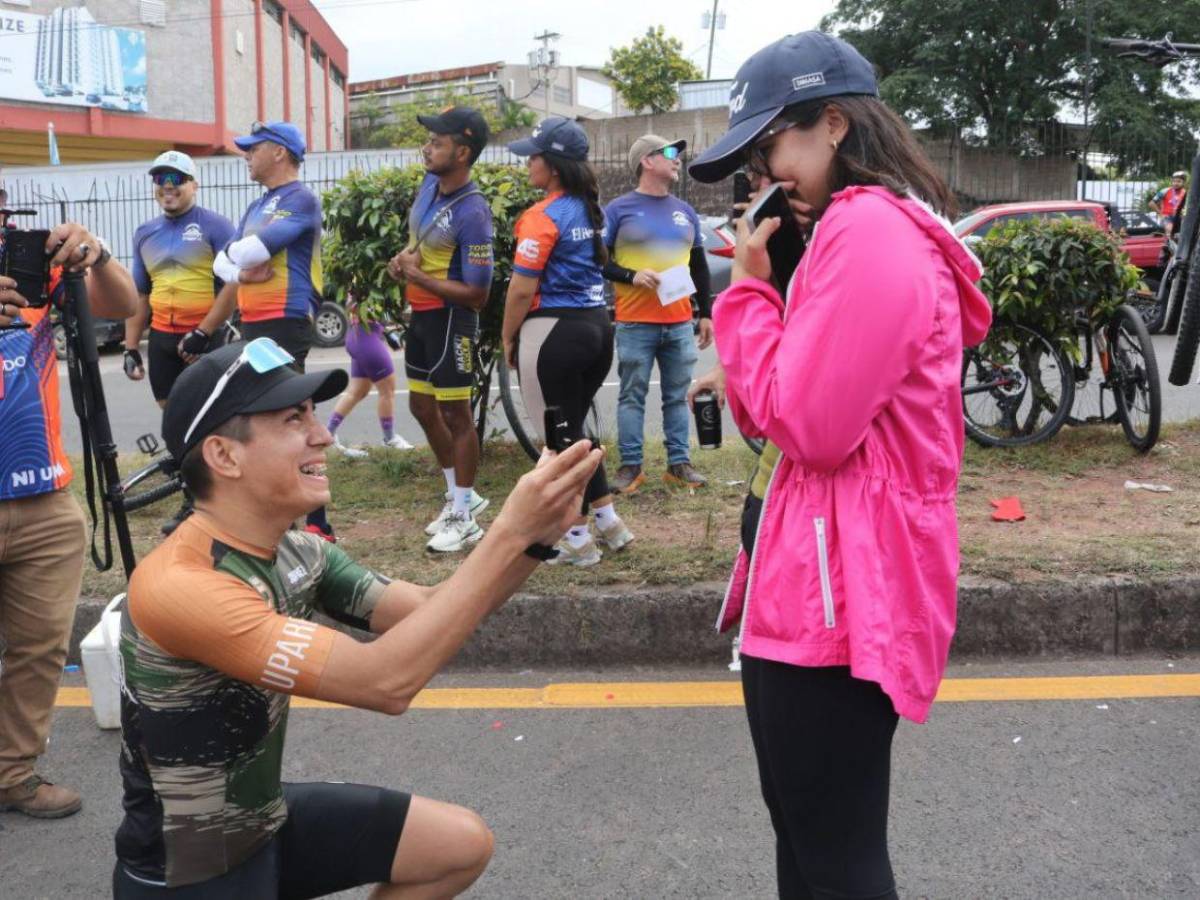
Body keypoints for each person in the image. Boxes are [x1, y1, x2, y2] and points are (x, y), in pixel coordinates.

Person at [112, 338, 602, 897]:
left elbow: (435, 610)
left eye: (315, 415)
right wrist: (509, 531)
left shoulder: (299, 551)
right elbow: (385, 682)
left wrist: (536, 539)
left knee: (458, 845)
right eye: (294, 419)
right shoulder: (180, 584)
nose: (322, 434)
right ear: (225, 456)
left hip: (263, 822)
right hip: (187, 871)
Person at [687, 31, 992, 899]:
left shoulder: (868, 233)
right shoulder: (838, 234)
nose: (763, 174)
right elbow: (768, 415)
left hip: (839, 600)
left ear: (831, 124)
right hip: (814, 581)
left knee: (834, 855)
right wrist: (764, 290)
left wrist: (746, 290)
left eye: (768, 145)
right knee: (810, 839)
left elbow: (811, 428)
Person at [0, 225, 138, 819]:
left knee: (39, 650)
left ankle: (13, 774)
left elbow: (122, 305)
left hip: (43, 500)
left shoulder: (27, 257)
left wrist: (98, 256)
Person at [502, 116, 634, 565]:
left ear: (552, 166)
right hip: (598, 328)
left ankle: (577, 542)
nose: (528, 164)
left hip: (552, 332)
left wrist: (507, 338)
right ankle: (610, 523)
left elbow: (521, 289)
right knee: (576, 431)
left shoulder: (541, 217)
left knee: (557, 443)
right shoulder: (590, 210)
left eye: (533, 157)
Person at [209, 120, 336, 540]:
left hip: (285, 317)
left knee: (295, 419)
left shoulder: (299, 199)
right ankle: (284, 511)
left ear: (279, 152)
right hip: (254, 319)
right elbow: (221, 263)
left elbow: (252, 250)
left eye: (254, 148)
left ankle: (317, 522)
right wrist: (242, 273)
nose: (246, 155)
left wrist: (237, 259)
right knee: (267, 420)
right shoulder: (256, 206)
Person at [386, 107, 495, 553]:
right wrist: (402, 261)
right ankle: (457, 497)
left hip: (453, 318)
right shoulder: (429, 186)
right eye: (427, 139)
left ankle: (464, 515)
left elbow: (478, 294)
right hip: (422, 315)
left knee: (456, 416)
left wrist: (419, 277)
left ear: (463, 151)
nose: (427, 148)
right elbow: (420, 246)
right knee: (420, 407)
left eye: (437, 141)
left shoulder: (474, 211)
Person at [123, 151, 236, 534]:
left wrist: (204, 332)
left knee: (206, 419)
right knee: (174, 420)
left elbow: (233, 286)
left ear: (194, 184)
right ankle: (196, 487)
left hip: (204, 336)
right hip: (163, 339)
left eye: (176, 179)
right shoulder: (145, 232)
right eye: (160, 180)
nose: (168, 186)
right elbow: (139, 294)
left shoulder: (215, 226)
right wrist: (129, 346)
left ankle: (201, 502)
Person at [603, 134, 714, 494]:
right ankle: (630, 468)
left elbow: (699, 266)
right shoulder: (618, 210)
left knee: (678, 395)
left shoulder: (686, 211)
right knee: (631, 396)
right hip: (635, 322)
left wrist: (706, 313)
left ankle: (679, 465)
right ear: (646, 161)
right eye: (669, 152)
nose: (677, 159)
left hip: (680, 322)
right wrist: (630, 275)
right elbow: (598, 260)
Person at [325, 301, 414, 456]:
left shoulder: (356, 282)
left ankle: (328, 436)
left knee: (358, 391)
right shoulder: (369, 283)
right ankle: (390, 439)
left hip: (357, 336)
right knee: (387, 391)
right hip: (367, 338)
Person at [1152, 171, 1187, 239]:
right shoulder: (1165, 191)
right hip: (1167, 217)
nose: (1176, 183)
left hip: (1180, 217)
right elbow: (1151, 203)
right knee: (1170, 232)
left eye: (1179, 181)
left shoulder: (1185, 192)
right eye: (1174, 181)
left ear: (1183, 182)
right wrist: (1160, 214)